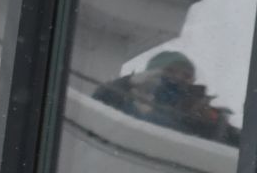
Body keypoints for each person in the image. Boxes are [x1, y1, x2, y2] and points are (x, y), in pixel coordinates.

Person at [93, 50, 239, 144]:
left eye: (186, 75)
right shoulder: (128, 99)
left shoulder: (201, 111)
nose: (178, 78)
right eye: (170, 71)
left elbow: (242, 145)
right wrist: (127, 83)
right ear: (151, 74)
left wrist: (212, 123)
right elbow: (97, 104)